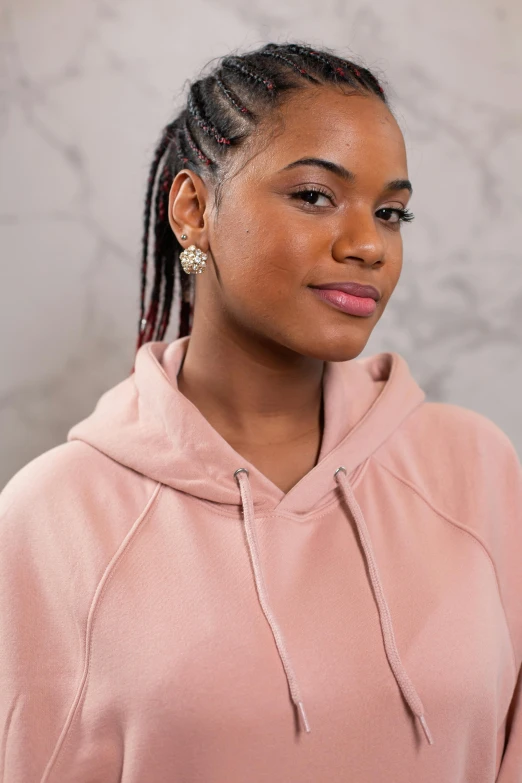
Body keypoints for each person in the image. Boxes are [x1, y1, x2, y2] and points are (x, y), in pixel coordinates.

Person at [0, 41, 521, 783]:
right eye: (314, 195)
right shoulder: (54, 518)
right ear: (193, 209)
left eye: (392, 211)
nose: (368, 243)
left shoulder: (474, 471)